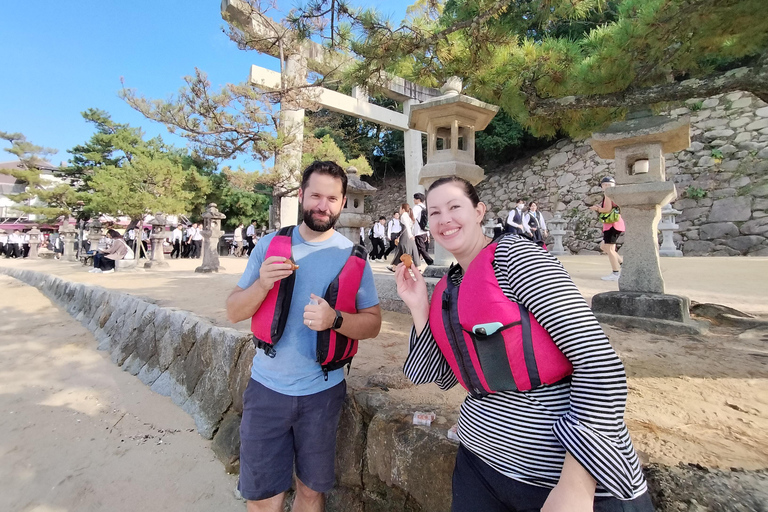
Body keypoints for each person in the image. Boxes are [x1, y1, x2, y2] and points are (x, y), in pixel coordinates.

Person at [393, 176, 653, 512]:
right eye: (435, 212)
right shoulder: (450, 284)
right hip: (479, 464)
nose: (444, 219)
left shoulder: (518, 258)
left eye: (455, 207)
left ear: (479, 211)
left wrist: (575, 486)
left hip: (558, 477)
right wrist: (418, 306)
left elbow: (600, 364)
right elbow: (439, 375)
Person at [225, 161, 381, 512]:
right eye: (315, 196)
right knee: (263, 497)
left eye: (331, 198)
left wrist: (335, 319)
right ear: (301, 196)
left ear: (342, 202)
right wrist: (263, 283)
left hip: (322, 394)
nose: (322, 206)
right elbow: (234, 311)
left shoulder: (352, 256)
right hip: (267, 388)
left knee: (311, 492)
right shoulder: (269, 246)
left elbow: (372, 323)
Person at [590, 176, 625, 281]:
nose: (606, 187)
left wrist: (597, 209)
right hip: (616, 223)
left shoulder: (608, 194)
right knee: (603, 246)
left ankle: (615, 273)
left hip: (612, 224)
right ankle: (623, 264)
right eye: (605, 185)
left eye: (608, 185)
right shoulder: (616, 195)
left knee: (610, 249)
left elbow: (607, 209)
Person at [386, 203, 420, 272]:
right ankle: (416, 267)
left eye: (400, 208)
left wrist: (410, 235)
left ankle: (395, 267)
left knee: (401, 249)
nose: (399, 210)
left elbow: (407, 226)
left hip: (406, 235)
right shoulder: (408, 216)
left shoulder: (404, 215)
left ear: (403, 209)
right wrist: (411, 234)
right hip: (409, 234)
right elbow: (411, 226)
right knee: (412, 249)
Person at [412, 192, 434, 266]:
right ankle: (415, 264)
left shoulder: (416, 208)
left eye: (414, 199)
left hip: (418, 231)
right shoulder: (424, 207)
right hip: (424, 230)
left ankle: (430, 262)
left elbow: (412, 219)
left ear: (418, 200)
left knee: (421, 248)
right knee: (418, 248)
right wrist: (428, 233)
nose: (413, 200)